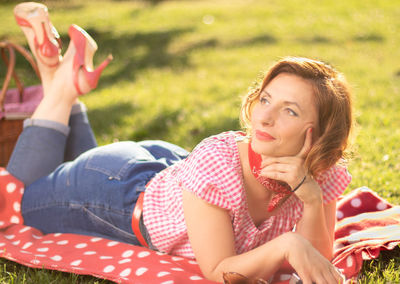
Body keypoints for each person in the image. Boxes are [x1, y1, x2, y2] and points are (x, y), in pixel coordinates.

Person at [6, 2, 352, 284]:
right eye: (265, 99)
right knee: (20, 200)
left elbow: (317, 265)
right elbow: (220, 271)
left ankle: (59, 78)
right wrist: (287, 244)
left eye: (289, 111)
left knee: (57, 171)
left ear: (320, 134)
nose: (264, 117)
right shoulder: (219, 166)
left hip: (164, 171)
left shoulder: (320, 169)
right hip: (115, 194)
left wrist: (310, 200)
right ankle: (63, 86)